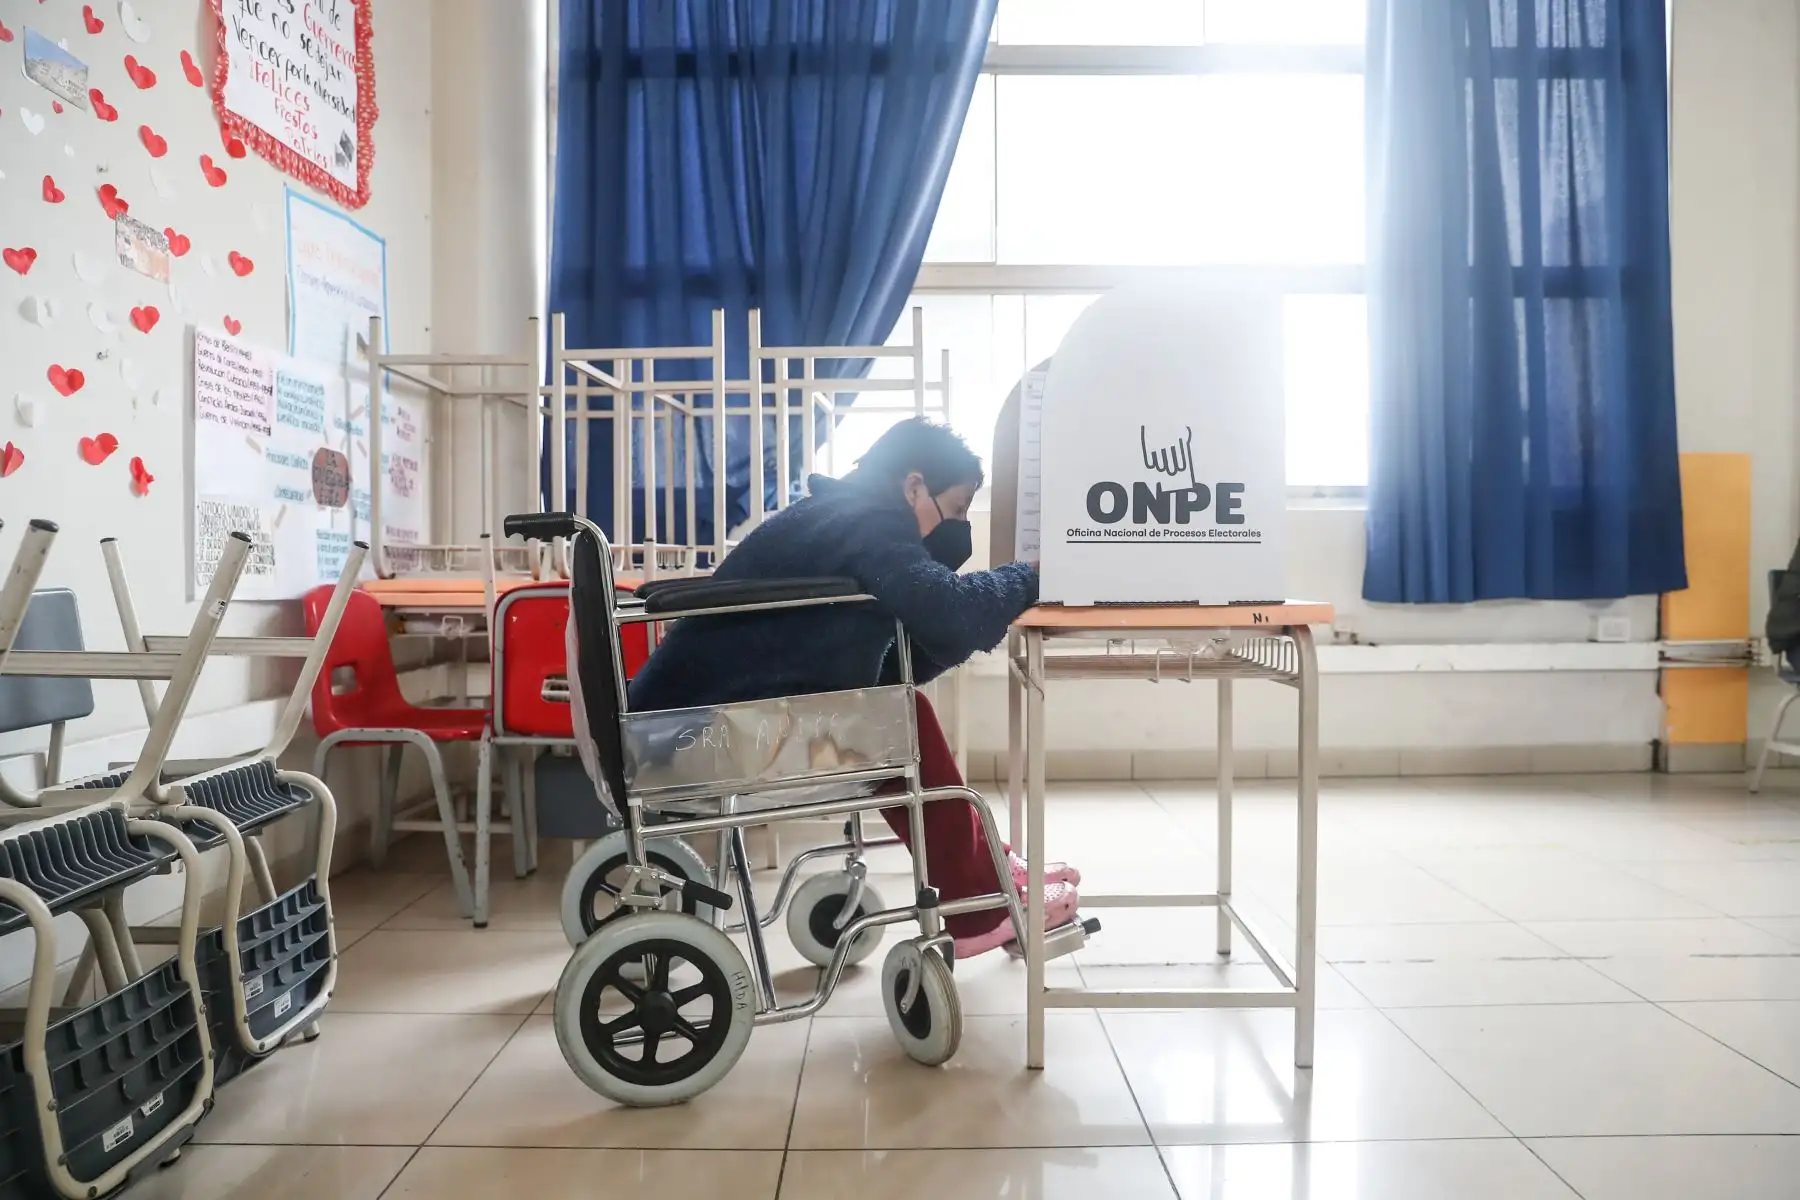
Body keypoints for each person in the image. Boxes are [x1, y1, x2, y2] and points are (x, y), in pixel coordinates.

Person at [627, 417, 1080, 958]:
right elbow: (953, 615)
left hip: (671, 727)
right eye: (957, 508)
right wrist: (1031, 575)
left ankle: (988, 871)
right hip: (685, 739)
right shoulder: (869, 523)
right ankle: (977, 910)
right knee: (897, 720)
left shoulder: (839, 516)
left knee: (890, 713)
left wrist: (963, 614)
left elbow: (904, 655)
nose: (959, 526)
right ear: (914, 486)